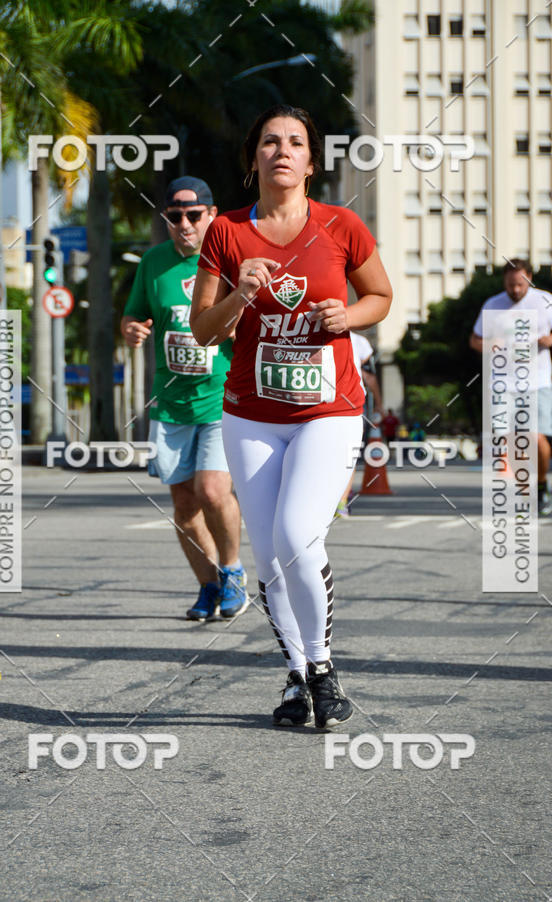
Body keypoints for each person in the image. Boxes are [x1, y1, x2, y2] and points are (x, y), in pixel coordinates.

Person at [190, 105, 392, 729]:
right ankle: (297, 676)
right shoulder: (225, 232)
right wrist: (241, 293)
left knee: (299, 534)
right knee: (271, 553)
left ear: (311, 161)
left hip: (328, 410)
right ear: (254, 159)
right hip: (250, 415)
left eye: (295, 142)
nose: (282, 150)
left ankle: (324, 668)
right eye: (270, 142)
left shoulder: (341, 224)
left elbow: (380, 296)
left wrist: (347, 317)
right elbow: (203, 330)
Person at [121, 176, 249, 621]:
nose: (185, 223)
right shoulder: (153, 261)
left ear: (212, 215)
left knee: (211, 491)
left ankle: (233, 572)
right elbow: (133, 315)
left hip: (219, 398)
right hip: (171, 403)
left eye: (194, 214)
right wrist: (131, 329)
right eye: (175, 216)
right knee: (184, 506)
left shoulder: (229, 260)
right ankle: (208, 585)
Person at [469, 258, 552, 514]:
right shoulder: (492, 305)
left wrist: (548, 340)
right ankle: (528, 496)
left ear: (529, 278)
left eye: (520, 284)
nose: (515, 290)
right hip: (503, 383)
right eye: (510, 285)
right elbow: (475, 340)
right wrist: (489, 345)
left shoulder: (545, 301)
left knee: (537, 439)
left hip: (537, 381)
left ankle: (541, 485)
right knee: (512, 442)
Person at [335, 331, 383, 518]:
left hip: (324, 402)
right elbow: (369, 376)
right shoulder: (359, 341)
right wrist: (379, 403)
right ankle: (341, 503)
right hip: (350, 404)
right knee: (349, 455)